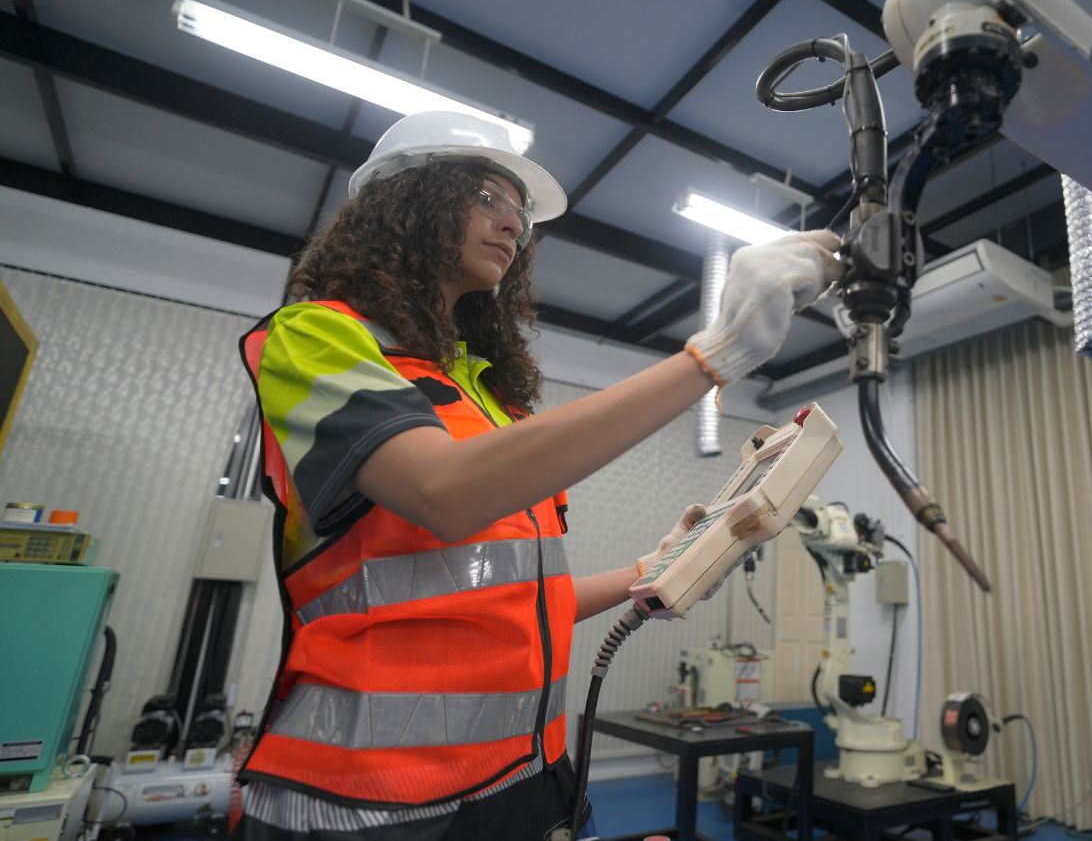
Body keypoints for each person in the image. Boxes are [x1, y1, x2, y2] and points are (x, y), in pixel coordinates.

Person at [233, 111, 841, 841]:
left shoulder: (487, 396)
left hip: (525, 779)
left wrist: (648, 571)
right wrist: (713, 358)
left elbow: (511, 593)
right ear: (406, 200)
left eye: (520, 213)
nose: (513, 224)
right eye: (487, 198)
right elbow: (447, 492)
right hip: (370, 800)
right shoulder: (317, 337)